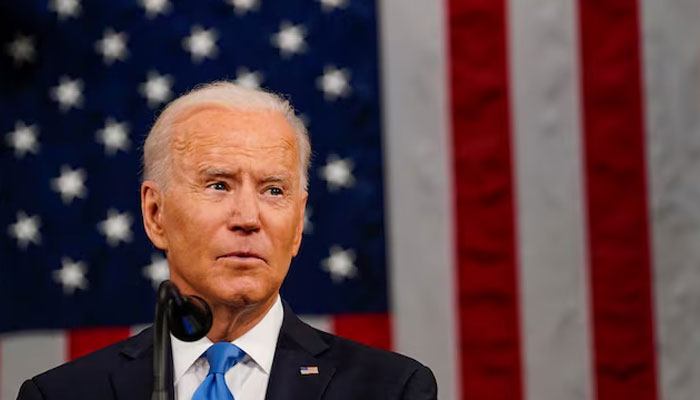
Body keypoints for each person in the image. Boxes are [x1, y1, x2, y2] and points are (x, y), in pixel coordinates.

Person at [16, 81, 437, 400]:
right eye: (218, 185)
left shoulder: (392, 390)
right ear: (155, 214)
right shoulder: (60, 395)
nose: (249, 218)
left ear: (297, 224)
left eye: (274, 190)